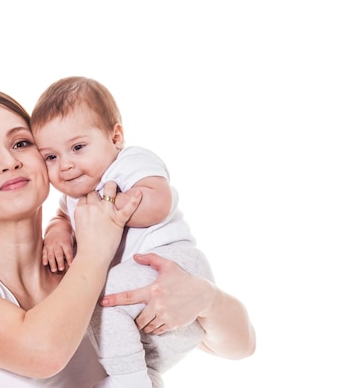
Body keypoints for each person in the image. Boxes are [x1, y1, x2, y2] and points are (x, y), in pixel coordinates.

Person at [0, 88, 256, 388]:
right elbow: (43, 353)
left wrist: (206, 299)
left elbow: (241, 345)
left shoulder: (94, 261)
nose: (9, 162)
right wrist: (96, 248)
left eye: (21, 143)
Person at [30, 76, 225, 388]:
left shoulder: (129, 162)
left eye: (78, 147)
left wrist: (111, 211)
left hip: (172, 266)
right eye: (51, 157)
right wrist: (58, 232)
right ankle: (142, 379)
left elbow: (159, 200)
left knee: (104, 299)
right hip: (144, 308)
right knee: (96, 311)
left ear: (115, 136)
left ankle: (130, 382)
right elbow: (63, 217)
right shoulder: (74, 196)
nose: (65, 165)